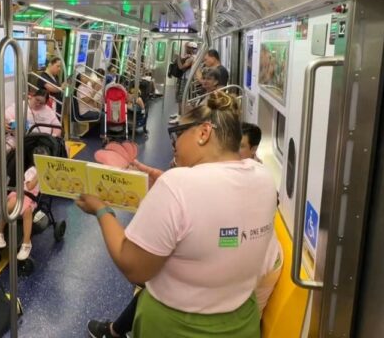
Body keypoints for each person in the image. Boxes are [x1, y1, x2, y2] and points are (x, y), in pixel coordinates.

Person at [77, 91, 277, 337]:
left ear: (203, 133)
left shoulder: (177, 185)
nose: (175, 145)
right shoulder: (266, 179)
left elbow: (133, 266)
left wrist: (101, 209)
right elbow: (219, 216)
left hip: (177, 326)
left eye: (178, 135)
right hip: (241, 322)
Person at [0, 145, 50, 261]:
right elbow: (29, 186)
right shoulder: (32, 171)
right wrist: (39, 173)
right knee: (9, 206)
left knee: (28, 211)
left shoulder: (47, 172)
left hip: (31, 199)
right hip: (21, 193)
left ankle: (26, 243)